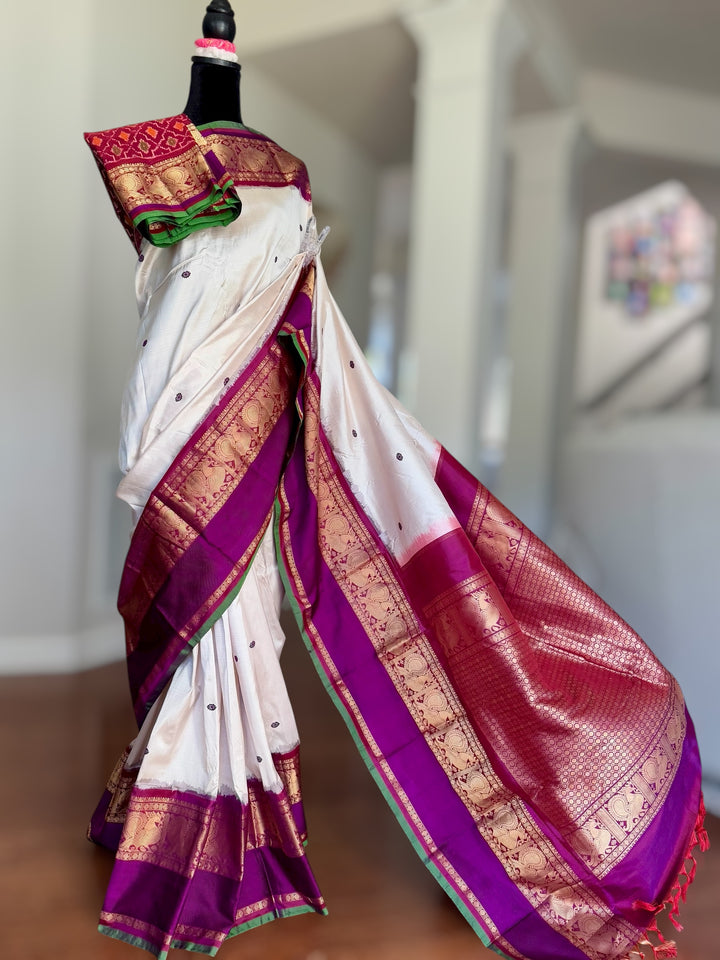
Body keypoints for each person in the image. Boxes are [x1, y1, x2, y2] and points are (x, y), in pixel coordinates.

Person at [84, 19, 706, 960]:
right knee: (194, 633)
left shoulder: (284, 176)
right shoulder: (160, 159)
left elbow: (301, 331)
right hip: (170, 434)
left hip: (242, 440)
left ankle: (227, 850)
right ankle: (172, 825)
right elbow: (176, 302)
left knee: (244, 628)